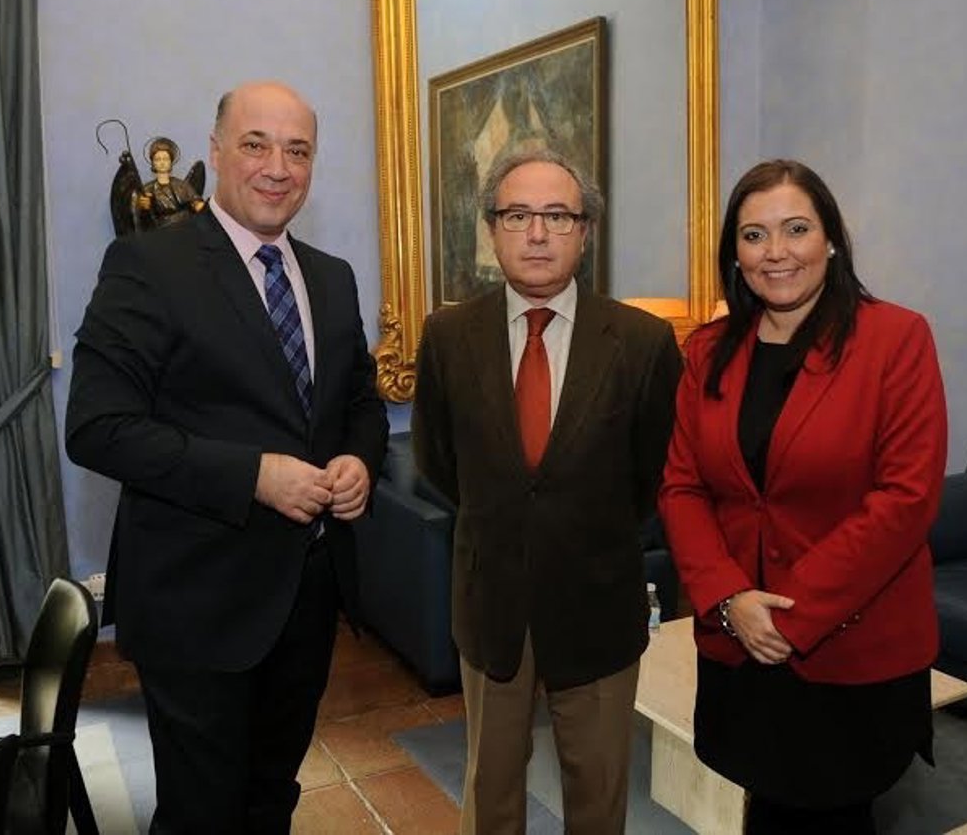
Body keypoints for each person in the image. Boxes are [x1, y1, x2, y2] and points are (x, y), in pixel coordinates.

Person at [66, 81, 388, 834]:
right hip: (196, 601)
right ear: (215, 154)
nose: (278, 166)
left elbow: (360, 405)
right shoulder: (147, 264)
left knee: (271, 796)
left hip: (307, 596)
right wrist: (253, 476)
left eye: (297, 150)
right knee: (202, 814)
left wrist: (360, 463)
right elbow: (97, 427)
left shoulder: (332, 278)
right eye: (256, 144)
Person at [658, 159, 947, 834]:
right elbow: (682, 484)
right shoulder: (706, 351)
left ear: (832, 240)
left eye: (796, 229)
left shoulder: (896, 339)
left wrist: (789, 615)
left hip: (845, 646)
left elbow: (904, 500)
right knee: (767, 808)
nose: (776, 251)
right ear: (735, 252)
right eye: (754, 235)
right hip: (739, 642)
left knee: (834, 814)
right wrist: (729, 599)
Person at [413, 146, 683, 835]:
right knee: (491, 790)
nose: (537, 233)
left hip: (598, 603)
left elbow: (657, 473)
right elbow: (439, 461)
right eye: (517, 214)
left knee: (598, 794)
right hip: (491, 603)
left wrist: (582, 531)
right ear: (492, 228)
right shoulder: (447, 336)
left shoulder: (644, 342)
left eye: (557, 216)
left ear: (586, 231)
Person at [133, 136, 205, 230]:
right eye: (158, 159)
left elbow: (197, 204)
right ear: (153, 163)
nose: (162, 163)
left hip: (184, 229)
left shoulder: (182, 185)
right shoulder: (147, 189)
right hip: (161, 232)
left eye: (165, 159)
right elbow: (142, 220)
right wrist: (144, 208)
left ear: (171, 161)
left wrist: (205, 209)